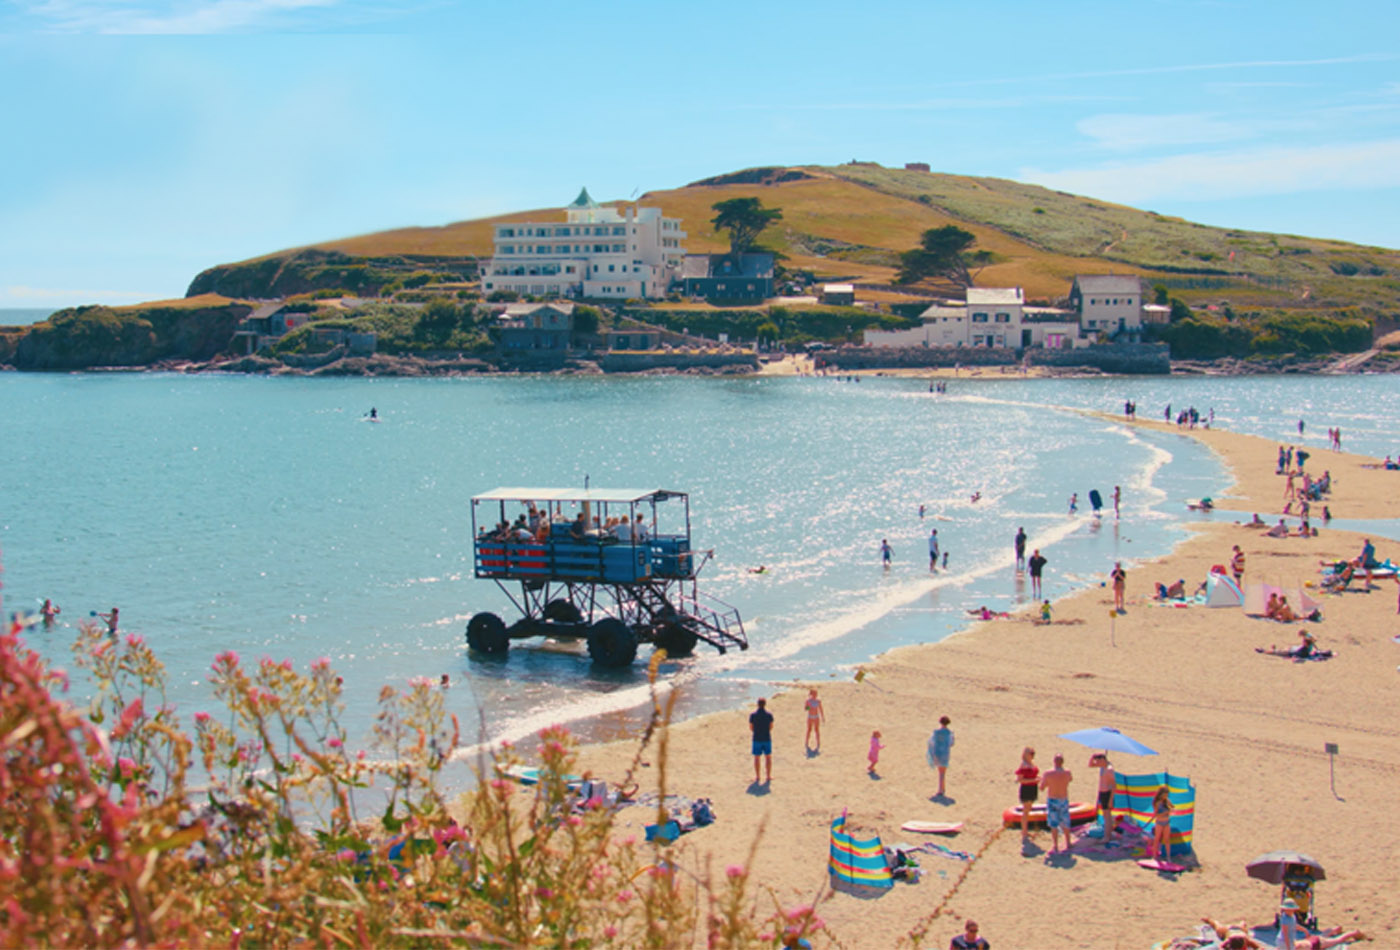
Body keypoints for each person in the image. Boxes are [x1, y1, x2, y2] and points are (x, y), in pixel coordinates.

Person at [1039, 753, 1073, 854]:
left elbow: (1042, 788)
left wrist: (1042, 780)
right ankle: (1068, 842)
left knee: (1053, 824)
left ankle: (1055, 845)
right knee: (1065, 822)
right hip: (1063, 799)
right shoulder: (1067, 773)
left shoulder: (1048, 773)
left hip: (1053, 799)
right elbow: (1070, 780)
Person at [1090, 753, 1117, 843]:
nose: (1097, 763)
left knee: (1107, 816)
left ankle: (1107, 836)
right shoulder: (1102, 767)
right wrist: (1092, 757)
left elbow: (1113, 785)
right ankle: (1108, 834)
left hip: (1107, 793)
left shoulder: (1109, 770)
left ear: (1103, 760)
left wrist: (1110, 800)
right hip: (1102, 792)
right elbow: (1090, 765)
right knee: (1106, 815)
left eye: (1099, 761)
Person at [1014, 747, 1039, 842]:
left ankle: (1025, 830)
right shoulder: (1023, 765)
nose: (1032, 755)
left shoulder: (1031, 763)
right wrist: (1034, 780)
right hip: (1027, 789)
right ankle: (1024, 832)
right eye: (1030, 753)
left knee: (1028, 809)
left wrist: (1037, 778)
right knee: (1026, 810)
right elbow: (1020, 780)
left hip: (1033, 788)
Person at [928, 715, 954, 797]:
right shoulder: (950, 733)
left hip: (938, 752)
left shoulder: (936, 732)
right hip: (945, 753)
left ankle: (940, 789)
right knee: (943, 772)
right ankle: (942, 788)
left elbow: (931, 742)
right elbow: (951, 743)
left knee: (940, 772)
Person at [749, 698, 773, 784]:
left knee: (757, 758)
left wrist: (756, 731)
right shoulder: (769, 715)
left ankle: (758, 776)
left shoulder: (753, 715)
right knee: (768, 757)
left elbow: (751, 727)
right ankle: (768, 775)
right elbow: (771, 726)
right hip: (766, 737)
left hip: (757, 738)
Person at [1150, 786, 1172, 860]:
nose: (1166, 796)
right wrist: (1165, 813)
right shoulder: (1157, 803)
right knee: (1157, 839)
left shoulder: (1166, 801)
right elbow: (1156, 815)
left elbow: (1172, 807)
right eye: (1165, 795)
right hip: (1159, 822)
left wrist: (1168, 802)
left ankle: (1168, 856)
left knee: (1167, 839)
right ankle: (1154, 856)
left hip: (1167, 822)